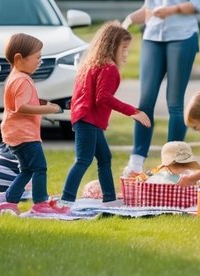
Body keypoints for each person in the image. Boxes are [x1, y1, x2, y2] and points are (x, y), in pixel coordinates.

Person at [121, 0, 200, 174]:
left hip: (182, 36)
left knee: (174, 103)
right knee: (144, 101)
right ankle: (136, 161)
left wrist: (171, 10)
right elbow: (149, 6)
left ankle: (172, 163)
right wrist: (127, 21)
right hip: (153, 37)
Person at [60, 22, 151, 205]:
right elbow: (103, 98)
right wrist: (133, 112)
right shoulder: (109, 69)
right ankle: (66, 200)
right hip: (88, 120)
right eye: (123, 48)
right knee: (83, 160)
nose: (126, 53)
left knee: (104, 158)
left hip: (87, 119)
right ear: (112, 46)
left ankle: (109, 198)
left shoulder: (92, 65)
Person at [0, 33, 71, 216]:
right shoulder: (22, 79)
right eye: (37, 57)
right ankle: (40, 204)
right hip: (24, 135)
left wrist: (46, 104)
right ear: (19, 58)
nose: (40, 61)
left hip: (16, 133)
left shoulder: (16, 76)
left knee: (27, 169)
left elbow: (24, 102)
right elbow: (21, 107)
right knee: (39, 167)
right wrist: (48, 110)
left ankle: (8, 199)